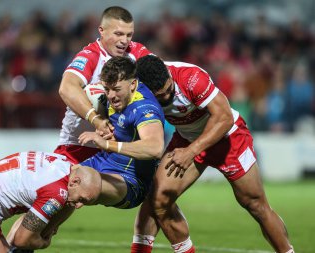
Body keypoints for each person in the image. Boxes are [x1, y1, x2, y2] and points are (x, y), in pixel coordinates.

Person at [131, 55, 295, 253]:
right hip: (186, 139)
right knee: (158, 198)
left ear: (169, 75)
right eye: (160, 96)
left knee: (255, 204)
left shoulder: (191, 78)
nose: (166, 98)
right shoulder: (137, 89)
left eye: (168, 90)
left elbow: (224, 118)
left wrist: (191, 151)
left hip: (227, 138)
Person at [0, 151, 103, 253]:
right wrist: (43, 242)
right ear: (74, 182)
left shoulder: (62, 164)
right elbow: (22, 240)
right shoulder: (56, 193)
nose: (79, 205)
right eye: (81, 199)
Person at [56, 6, 152, 164]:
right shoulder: (91, 56)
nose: (124, 41)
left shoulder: (137, 52)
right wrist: (97, 120)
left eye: (129, 35)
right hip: (79, 147)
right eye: (118, 34)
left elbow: (158, 76)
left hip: (118, 148)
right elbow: (66, 88)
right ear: (101, 30)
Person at [77, 56, 165, 209]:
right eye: (107, 89)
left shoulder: (144, 108)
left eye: (116, 89)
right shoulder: (115, 93)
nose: (111, 95)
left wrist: (108, 144)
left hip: (130, 181)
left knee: (79, 186)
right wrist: (102, 122)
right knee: (58, 184)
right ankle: (39, 232)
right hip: (101, 162)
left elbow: (155, 148)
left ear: (132, 84)